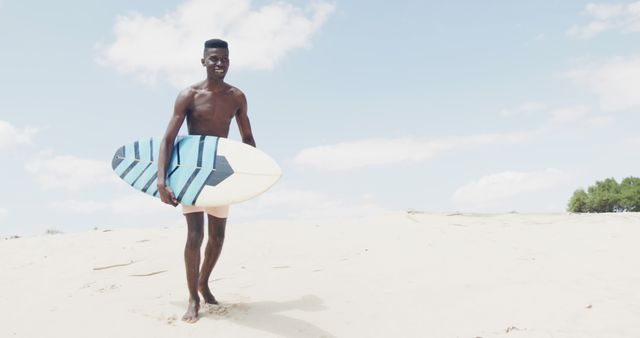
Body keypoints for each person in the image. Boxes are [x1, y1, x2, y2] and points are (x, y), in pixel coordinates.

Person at [157, 38, 256, 323]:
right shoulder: (188, 94)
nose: (219, 63)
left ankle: (203, 282)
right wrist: (162, 181)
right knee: (195, 236)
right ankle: (192, 298)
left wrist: (252, 175)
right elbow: (168, 139)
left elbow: (247, 138)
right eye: (213, 58)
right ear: (203, 61)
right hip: (191, 172)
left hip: (220, 173)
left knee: (218, 238)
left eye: (224, 58)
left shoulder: (237, 97)